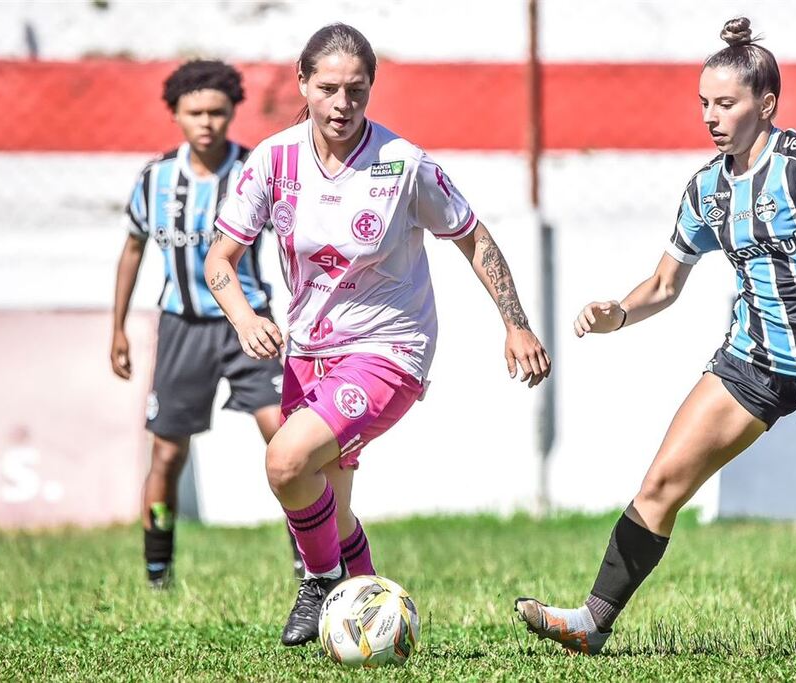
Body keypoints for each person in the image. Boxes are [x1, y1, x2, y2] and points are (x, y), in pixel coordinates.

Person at [514, 16, 796, 655]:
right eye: (704, 103)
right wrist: (618, 311)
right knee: (662, 485)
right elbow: (665, 283)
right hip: (754, 359)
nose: (710, 115)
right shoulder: (705, 189)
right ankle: (591, 621)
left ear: (766, 103)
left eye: (725, 103)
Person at [205, 23, 551, 647]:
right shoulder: (273, 160)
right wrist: (246, 318)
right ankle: (370, 620)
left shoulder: (404, 165)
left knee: (285, 462)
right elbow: (219, 261)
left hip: (391, 348)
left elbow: (472, 236)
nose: (343, 104)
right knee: (328, 511)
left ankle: (318, 584)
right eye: (330, 89)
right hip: (308, 350)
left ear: (371, 89)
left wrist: (516, 324)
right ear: (302, 83)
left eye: (357, 91)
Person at [111, 59, 299, 588]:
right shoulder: (154, 179)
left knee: (285, 441)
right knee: (168, 453)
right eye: (195, 112)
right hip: (182, 326)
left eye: (217, 111)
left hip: (250, 327)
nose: (207, 123)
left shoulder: (253, 171)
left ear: (233, 112)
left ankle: (308, 562)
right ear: (175, 114)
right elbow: (131, 249)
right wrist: (118, 327)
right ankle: (157, 570)